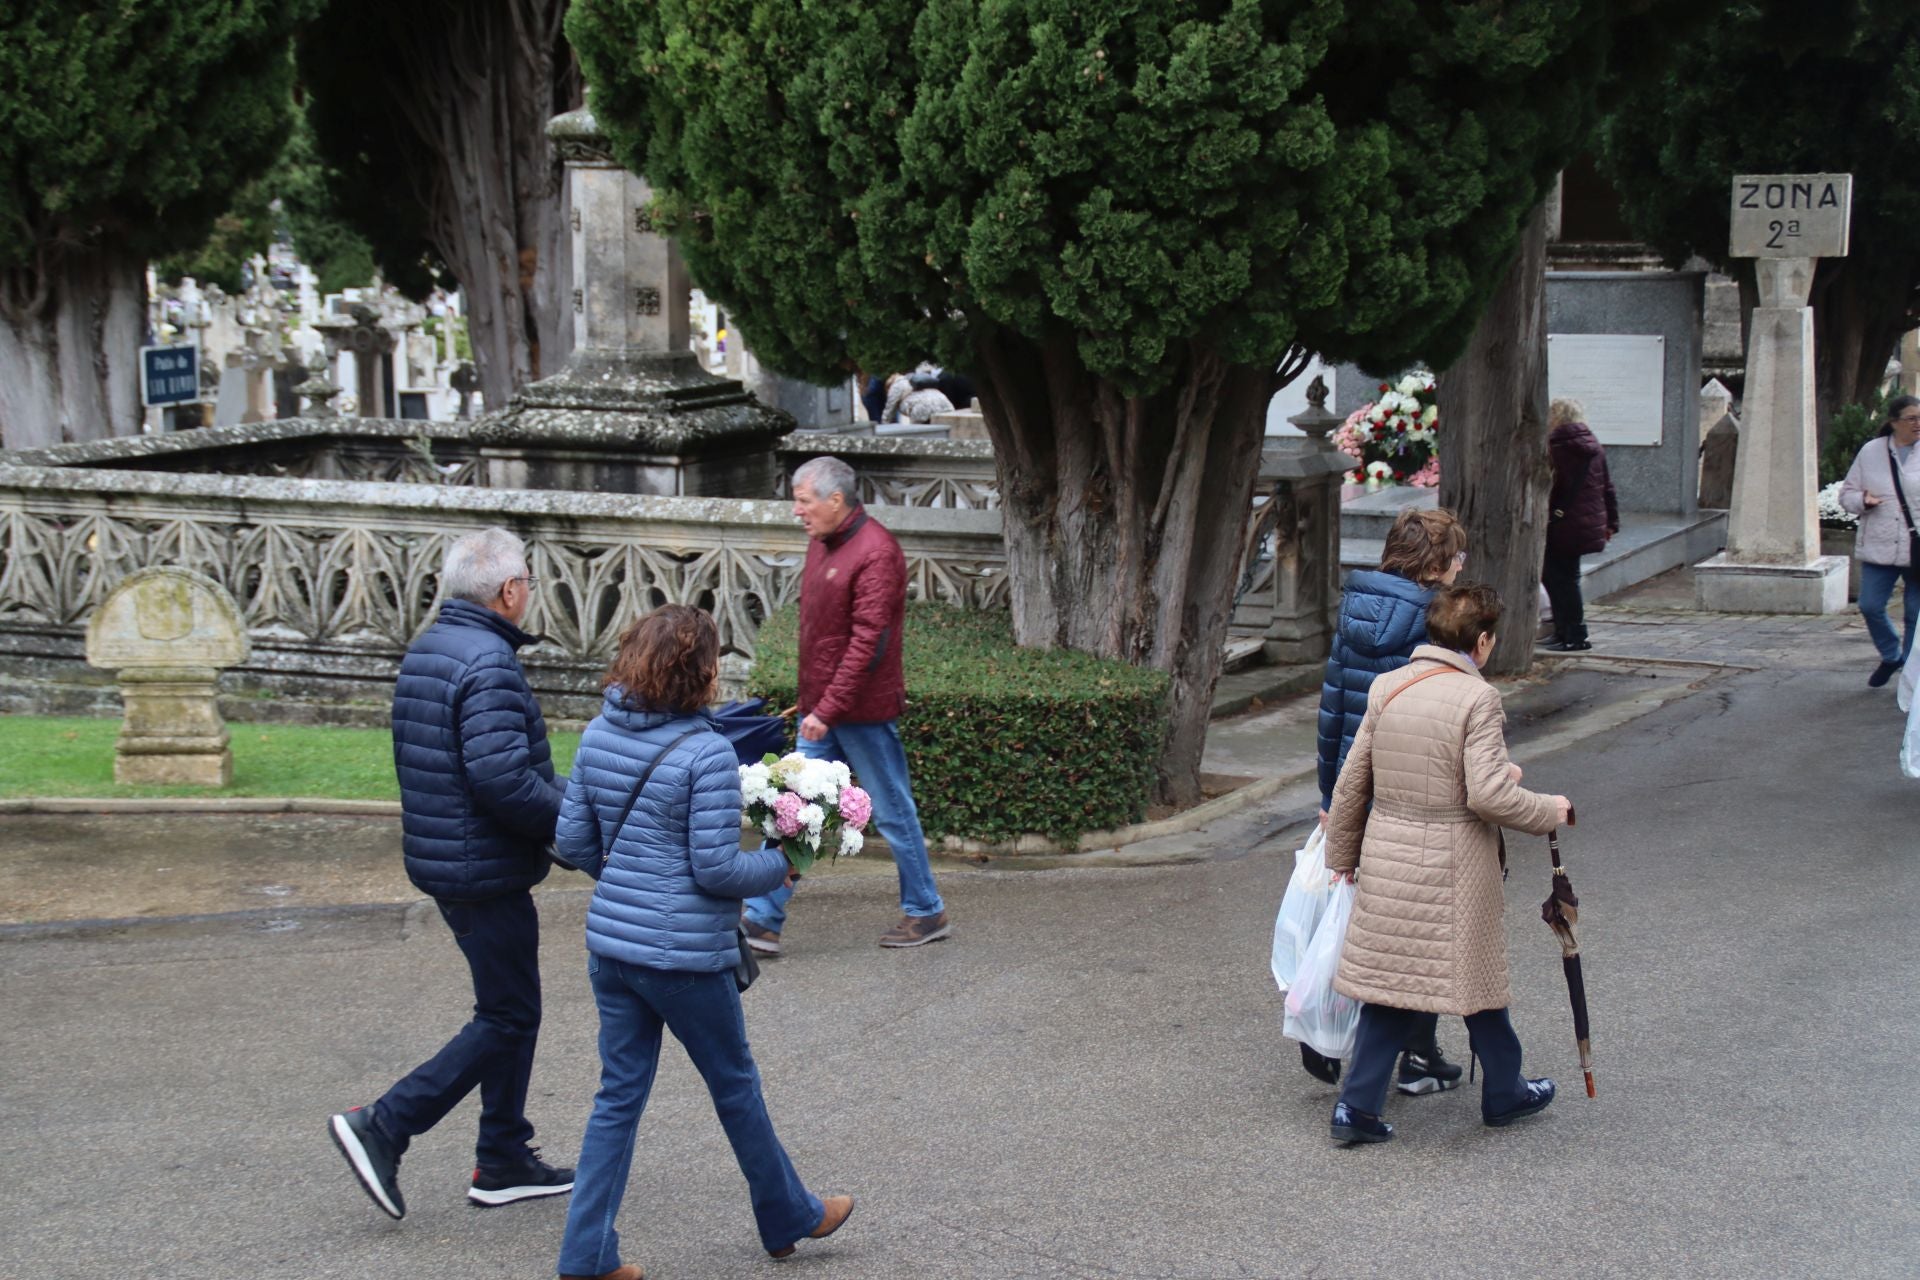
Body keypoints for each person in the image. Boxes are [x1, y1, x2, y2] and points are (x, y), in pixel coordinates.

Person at [553, 605, 853, 1280]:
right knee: (735, 1086)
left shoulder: (599, 732)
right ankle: (790, 1215)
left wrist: (631, 884)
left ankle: (587, 1256)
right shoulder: (706, 752)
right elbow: (718, 872)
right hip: (684, 960)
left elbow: (571, 842)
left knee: (618, 1099)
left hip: (613, 953)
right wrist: (788, 860)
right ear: (701, 671)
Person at [329, 527, 571, 1219]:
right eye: (525, 581)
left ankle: (501, 1155)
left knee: (509, 1010)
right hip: (480, 868)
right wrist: (574, 822)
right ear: (509, 591)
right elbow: (502, 779)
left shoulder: (432, 647)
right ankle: (384, 1124)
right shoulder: (488, 662)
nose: (527, 591)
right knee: (508, 1014)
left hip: (451, 859)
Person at [1323, 584, 1573, 1145]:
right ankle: (1505, 1092)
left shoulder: (1390, 686)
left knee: (1391, 985)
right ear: (1481, 641)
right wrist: (1549, 811)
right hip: (1453, 861)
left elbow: (1352, 780)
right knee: (1476, 982)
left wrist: (1341, 855)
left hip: (1389, 851)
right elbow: (1487, 797)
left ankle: (1355, 1108)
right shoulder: (1477, 699)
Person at [743, 455, 950, 952]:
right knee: (793, 810)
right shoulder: (824, 541)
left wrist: (825, 710)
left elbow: (867, 644)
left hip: (859, 713)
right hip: (824, 710)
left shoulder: (877, 552)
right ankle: (761, 920)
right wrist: (815, 705)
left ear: (836, 500)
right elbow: (825, 636)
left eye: (803, 501)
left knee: (893, 810)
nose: (797, 512)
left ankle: (926, 911)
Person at [1305, 508, 1469, 1095]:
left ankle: (1331, 1033)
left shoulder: (1355, 610)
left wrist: (1330, 798)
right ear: (1435, 565)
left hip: (1353, 791)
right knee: (1417, 930)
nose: (1459, 568)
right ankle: (1416, 1057)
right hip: (1408, 799)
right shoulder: (1434, 623)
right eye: (1456, 558)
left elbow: (1332, 714)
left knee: (1353, 919)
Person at [1839, 394, 1920, 687]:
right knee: (1870, 605)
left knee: (1915, 614)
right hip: (1880, 543)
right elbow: (1846, 494)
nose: (1918, 424)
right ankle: (1891, 655)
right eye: (1911, 418)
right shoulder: (1871, 452)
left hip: (1918, 548)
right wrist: (1863, 500)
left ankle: (1911, 680)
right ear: (1894, 422)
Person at [1541, 398, 1619, 652]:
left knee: (1558, 580)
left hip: (1561, 523)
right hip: (1583, 523)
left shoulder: (1556, 446)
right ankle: (1566, 632)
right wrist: (1612, 522)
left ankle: (1573, 634)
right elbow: (1607, 486)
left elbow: (1551, 487)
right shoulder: (1592, 444)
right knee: (1566, 578)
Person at [880, 367, 955, 426]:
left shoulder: (895, 386)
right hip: (944, 403)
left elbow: (888, 412)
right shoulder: (913, 379)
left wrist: (882, 430)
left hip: (922, 409)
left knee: (919, 436)